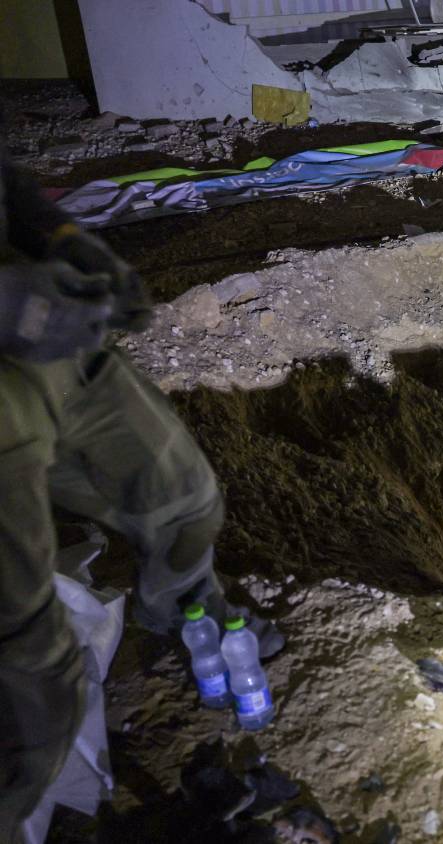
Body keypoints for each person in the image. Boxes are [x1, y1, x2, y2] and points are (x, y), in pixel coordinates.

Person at [0, 147, 282, 840]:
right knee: (34, 666)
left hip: (45, 340)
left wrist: (60, 238)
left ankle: (186, 618)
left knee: (182, 500)